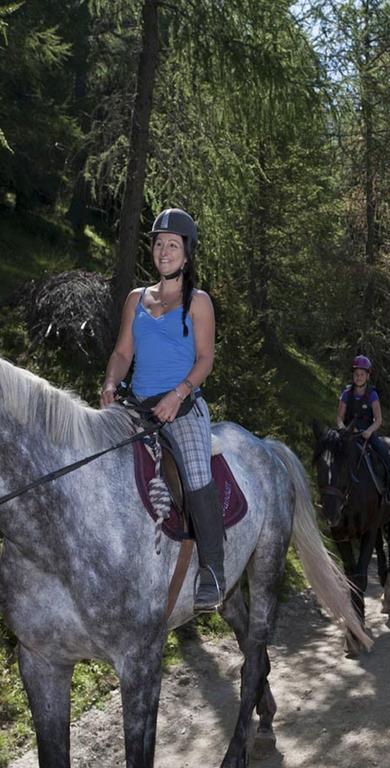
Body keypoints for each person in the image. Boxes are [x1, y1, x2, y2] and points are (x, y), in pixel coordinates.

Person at [100, 207, 225, 614]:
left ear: (187, 255)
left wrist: (179, 393)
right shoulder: (137, 299)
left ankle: (213, 569)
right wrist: (110, 383)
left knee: (194, 471)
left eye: (173, 245)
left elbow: (205, 359)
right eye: (159, 243)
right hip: (136, 406)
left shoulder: (199, 302)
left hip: (182, 407)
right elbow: (122, 352)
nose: (164, 251)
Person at [336, 355, 390, 505]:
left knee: (383, 452)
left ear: (367, 376)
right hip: (349, 433)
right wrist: (343, 430)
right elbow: (339, 417)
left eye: (362, 374)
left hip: (367, 432)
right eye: (356, 374)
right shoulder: (346, 394)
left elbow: (378, 419)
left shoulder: (372, 394)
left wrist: (369, 431)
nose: (358, 377)